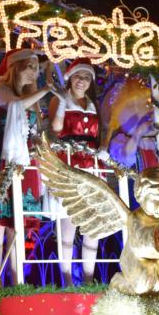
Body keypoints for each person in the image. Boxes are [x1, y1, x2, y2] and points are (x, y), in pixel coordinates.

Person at [0, 49, 52, 282]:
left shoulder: (31, 96)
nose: (34, 73)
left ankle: (17, 282)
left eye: (36, 68)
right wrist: (45, 89)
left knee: (18, 226)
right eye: (30, 67)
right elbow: (16, 105)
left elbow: (35, 129)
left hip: (25, 162)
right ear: (15, 68)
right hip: (2, 159)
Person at [47, 58, 102, 285]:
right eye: (79, 76)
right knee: (67, 226)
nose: (82, 81)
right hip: (68, 164)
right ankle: (67, 280)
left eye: (87, 77)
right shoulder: (60, 99)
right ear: (70, 77)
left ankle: (89, 280)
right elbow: (56, 129)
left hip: (91, 167)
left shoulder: (93, 104)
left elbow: (98, 135)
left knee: (93, 226)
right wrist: (61, 102)